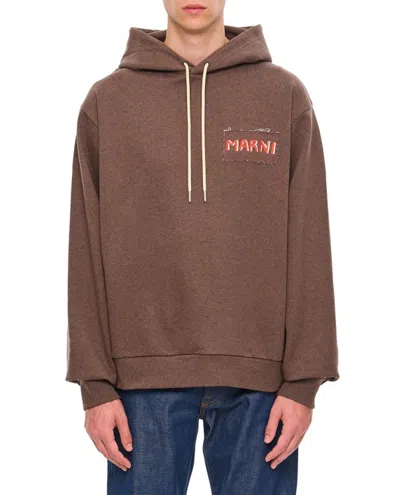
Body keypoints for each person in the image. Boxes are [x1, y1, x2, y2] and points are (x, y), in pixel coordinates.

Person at [66, 1, 339, 493]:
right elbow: (83, 243)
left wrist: (304, 381)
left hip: (261, 381)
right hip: (138, 380)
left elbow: (309, 239)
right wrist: (94, 383)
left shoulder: (283, 96)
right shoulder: (108, 101)